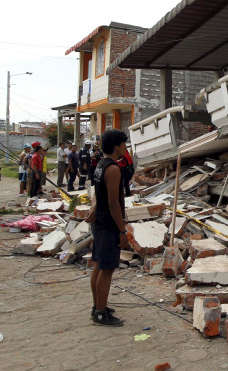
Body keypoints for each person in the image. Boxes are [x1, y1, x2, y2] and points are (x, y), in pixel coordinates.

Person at [86, 129, 129, 326]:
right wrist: (122, 230)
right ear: (116, 146)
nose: (125, 148)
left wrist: (95, 207)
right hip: (108, 225)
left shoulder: (100, 165)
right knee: (107, 269)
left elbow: (97, 194)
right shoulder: (113, 169)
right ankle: (101, 313)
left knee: (98, 265)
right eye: (124, 145)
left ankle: (98, 306)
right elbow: (113, 203)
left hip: (99, 223)